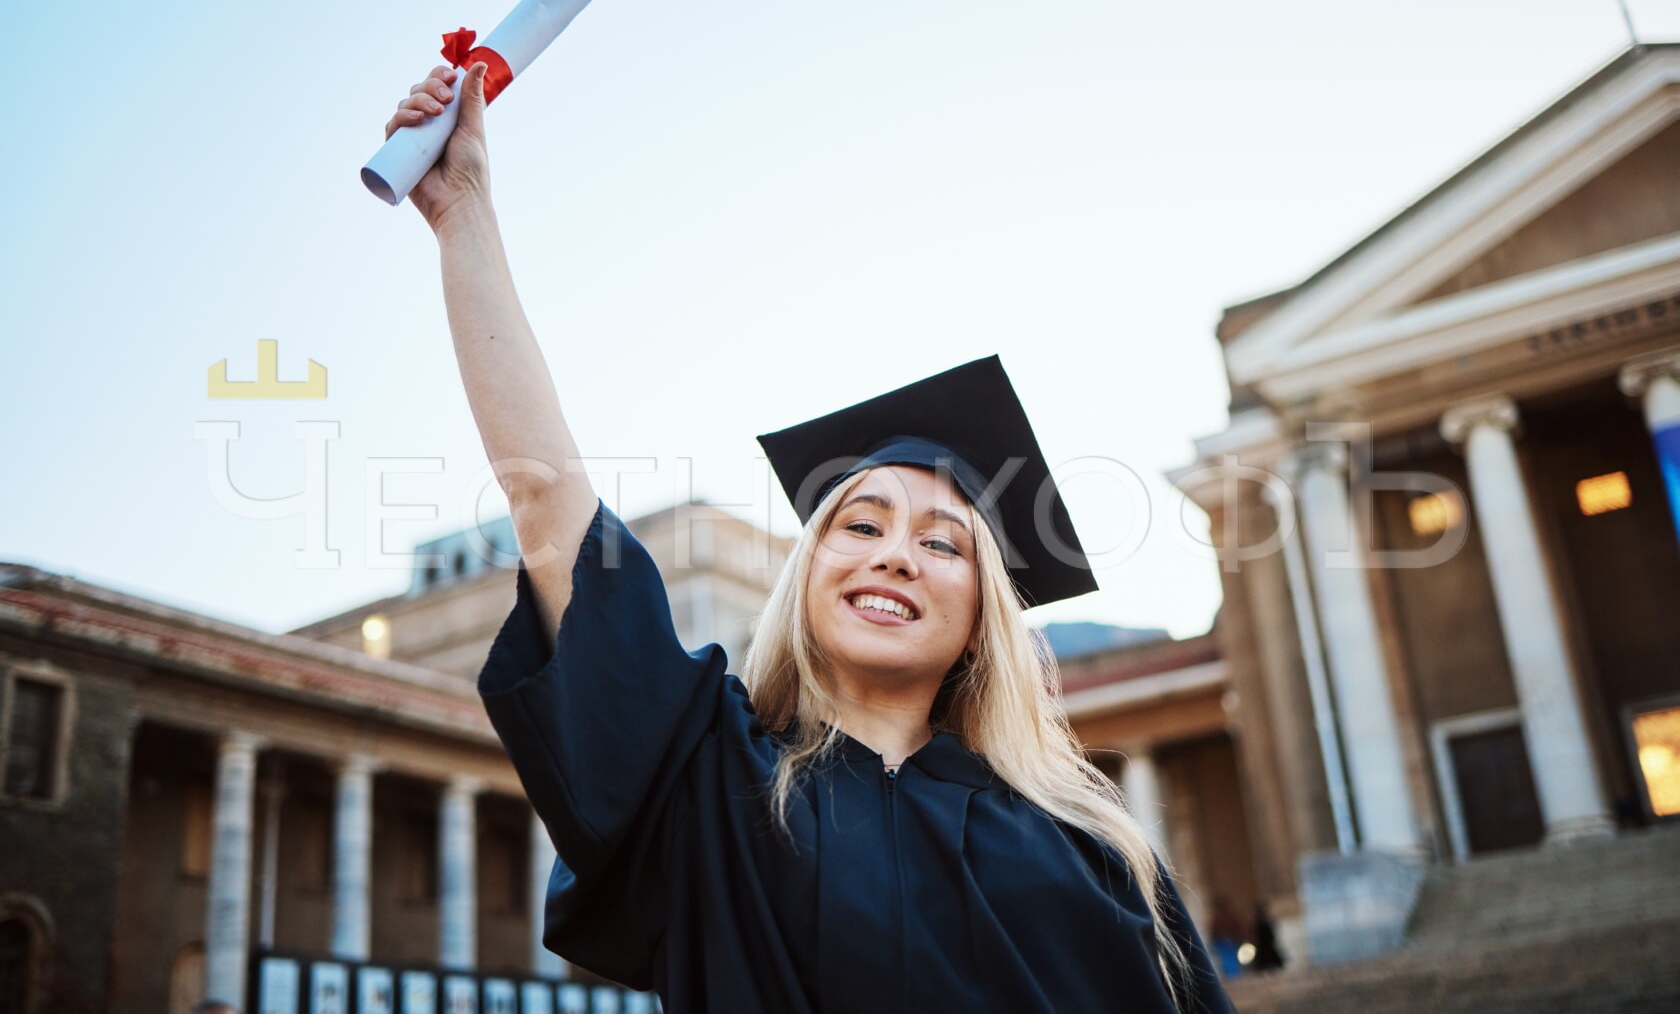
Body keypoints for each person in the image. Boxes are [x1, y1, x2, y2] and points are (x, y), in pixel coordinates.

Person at [384, 62, 1234, 1013]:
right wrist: (466, 219)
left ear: (983, 616)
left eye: (944, 544)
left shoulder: (1092, 849)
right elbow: (548, 503)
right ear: (807, 575)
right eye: (859, 524)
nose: (895, 553)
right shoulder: (714, 784)